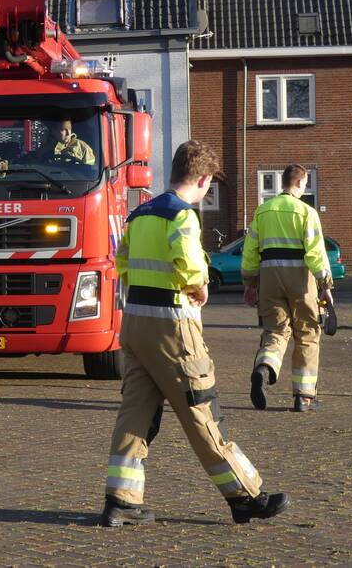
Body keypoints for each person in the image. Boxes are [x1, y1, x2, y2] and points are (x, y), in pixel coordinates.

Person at [100, 140, 289, 527]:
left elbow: (121, 263)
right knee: (201, 410)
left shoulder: (140, 214)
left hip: (135, 323)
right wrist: (200, 285)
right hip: (174, 328)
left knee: (136, 412)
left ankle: (121, 500)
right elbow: (188, 265)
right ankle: (245, 496)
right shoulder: (182, 217)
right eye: (209, 186)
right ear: (202, 179)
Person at [242, 164, 333, 413]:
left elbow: (250, 251)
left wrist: (250, 283)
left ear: (283, 183)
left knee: (276, 330)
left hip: (270, 278)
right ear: (301, 183)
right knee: (307, 333)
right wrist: (325, 285)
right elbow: (315, 253)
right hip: (301, 280)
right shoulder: (306, 212)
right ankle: (303, 397)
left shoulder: (262, 211)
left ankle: (264, 368)